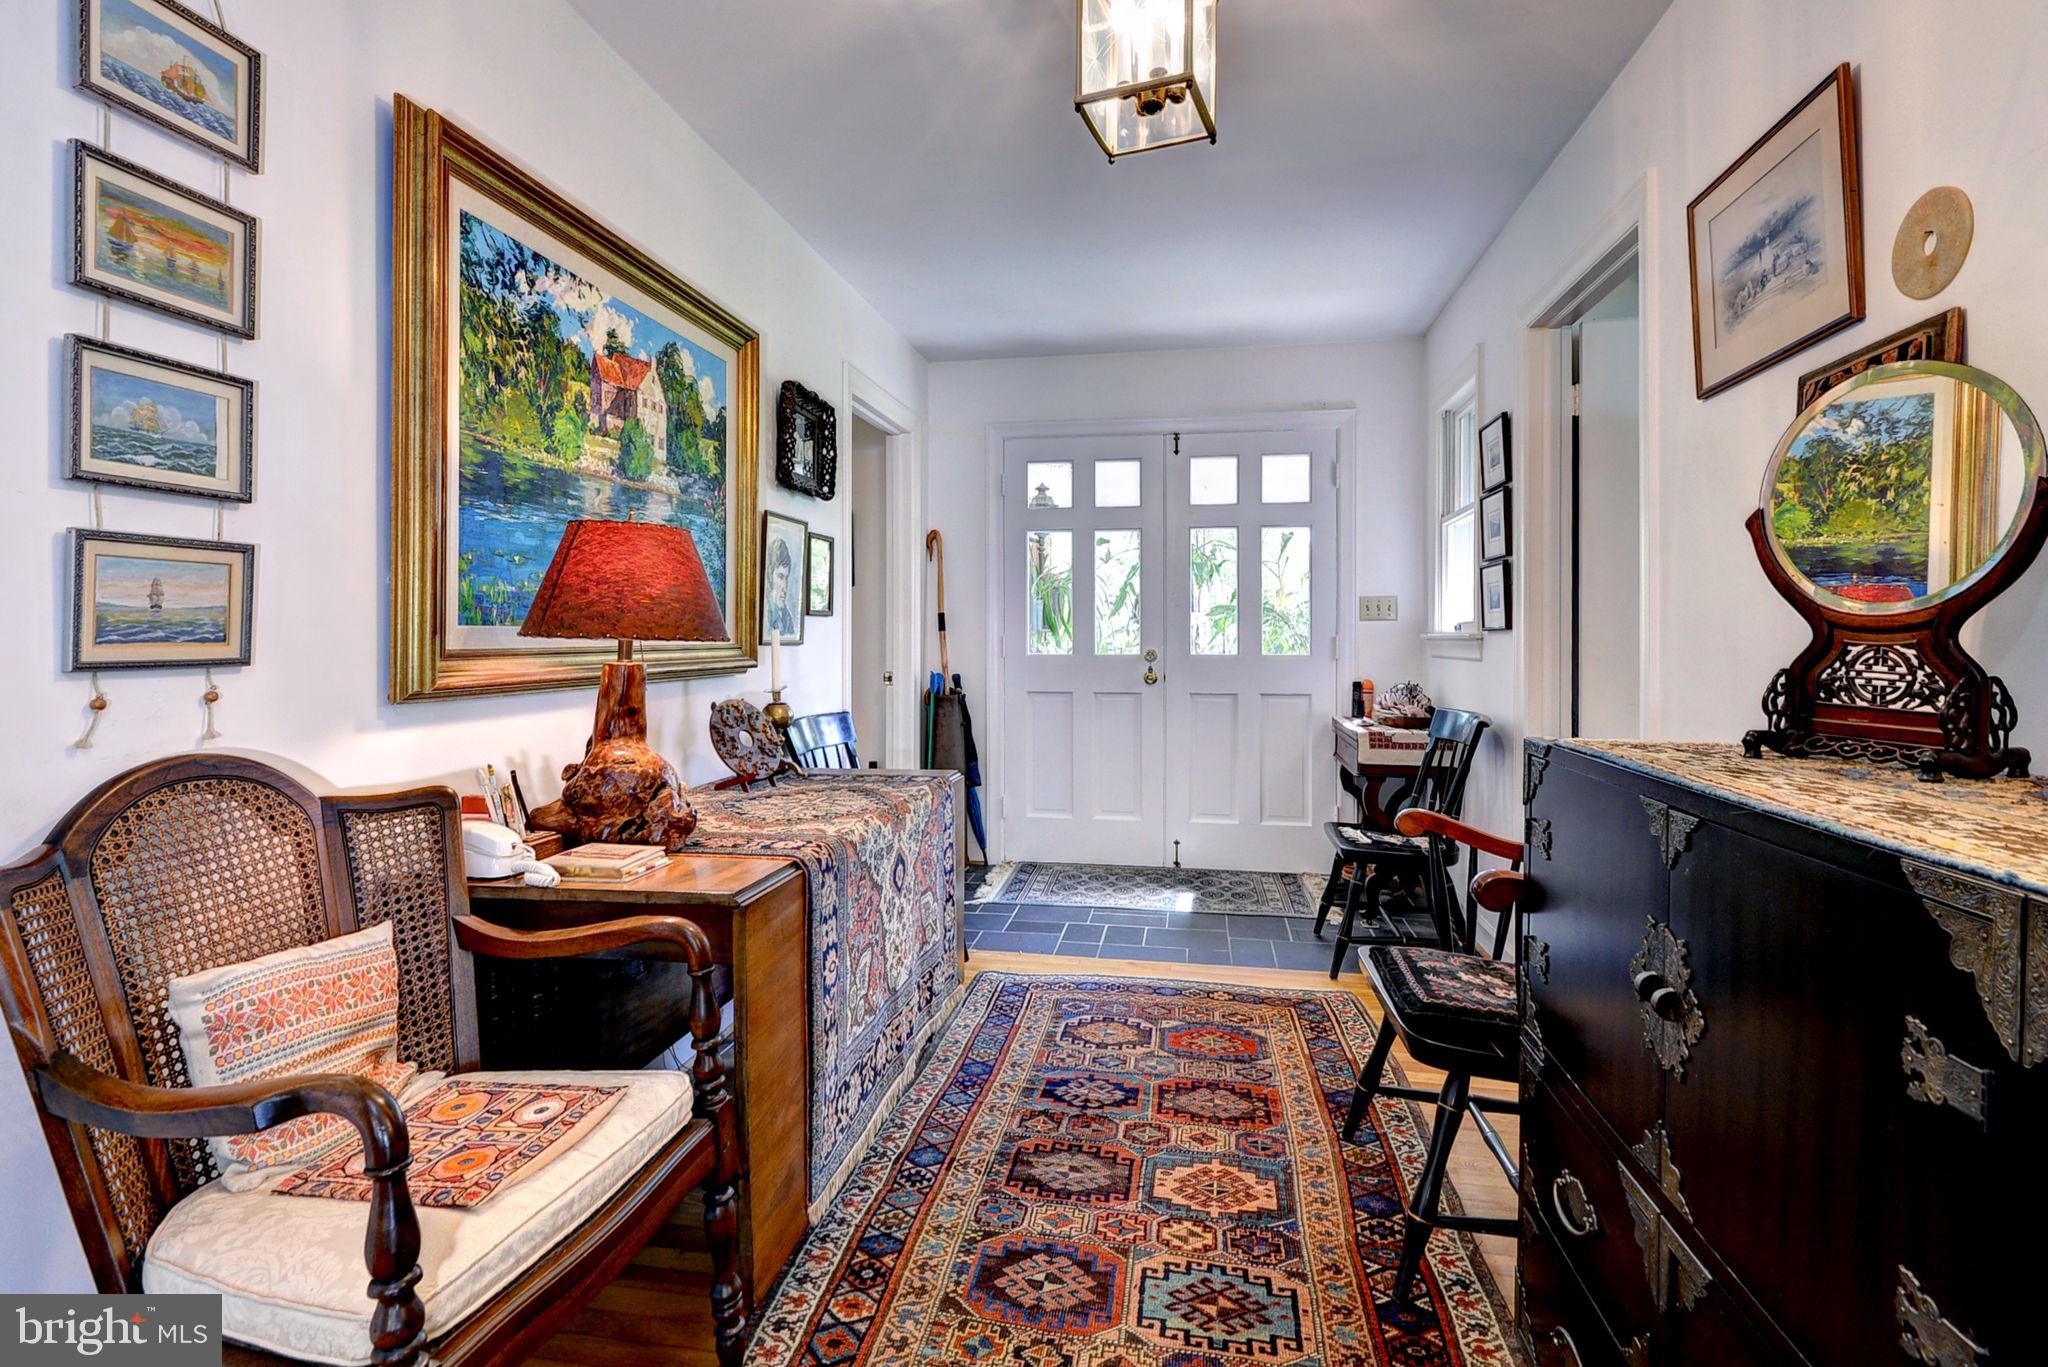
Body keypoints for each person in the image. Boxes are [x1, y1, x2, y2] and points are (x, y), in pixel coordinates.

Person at [767, 538, 799, 636]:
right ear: (770, 576)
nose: (785, 587)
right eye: (780, 577)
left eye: (786, 578)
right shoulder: (766, 615)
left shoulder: (787, 617)